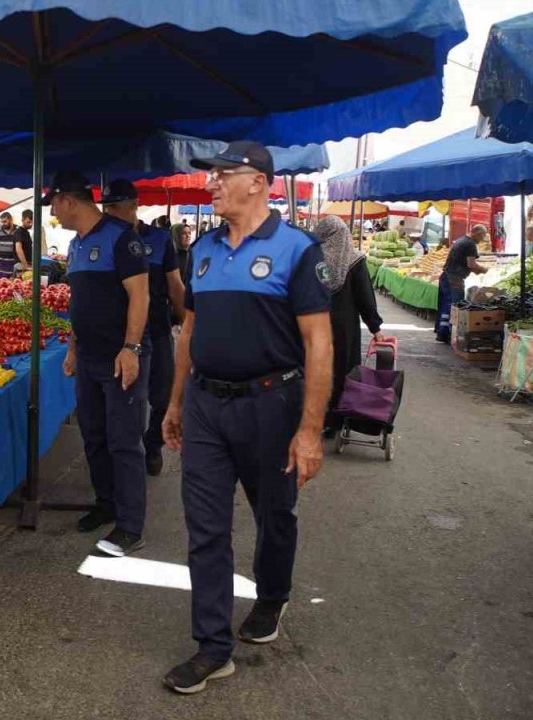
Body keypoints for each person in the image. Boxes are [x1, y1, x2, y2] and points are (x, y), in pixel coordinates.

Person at [161, 141, 333, 695]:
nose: (210, 184)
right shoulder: (203, 251)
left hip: (271, 405)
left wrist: (309, 431)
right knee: (205, 528)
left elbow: (319, 344)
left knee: (274, 516)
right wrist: (176, 402)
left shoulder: (296, 250)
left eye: (221, 175)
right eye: (210, 176)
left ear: (258, 182)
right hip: (207, 406)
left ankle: (272, 596)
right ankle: (213, 646)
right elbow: (190, 330)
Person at [51, 171, 152, 558]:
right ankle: (105, 503)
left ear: (68, 200)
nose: (54, 215)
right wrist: (74, 349)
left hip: (119, 357)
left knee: (124, 441)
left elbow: (140, 297)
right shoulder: (76, 245)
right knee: (93, 435)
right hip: (89, 358)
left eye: (55, 206)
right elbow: (80, 304)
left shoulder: (122, 238)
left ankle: (130, 526)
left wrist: (131, 347)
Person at [102, 179, 185, 477]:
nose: (109, 213)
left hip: (158, 330)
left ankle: (153, 446)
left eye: (115, 206)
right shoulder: (105, 239)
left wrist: (187, 325)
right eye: (106, 207)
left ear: (134, 206)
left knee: (162, 397)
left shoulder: (160, 239)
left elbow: (175, 287)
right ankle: (128, 455)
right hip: (120, 334)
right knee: (127, 402)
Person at [314, 217, 385, 434]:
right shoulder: (354, 261)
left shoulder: (312, 259)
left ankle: (309, 417)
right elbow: (365, 297)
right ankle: (333, 422)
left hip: (313, 323)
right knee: (340, 371)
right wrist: (376, 328)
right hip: (343, 328)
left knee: (314, 370)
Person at [435, 225, 489, 343]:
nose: (482, 239)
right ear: (476, 233)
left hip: (446, 276)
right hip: (455, 279)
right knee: (455, 307)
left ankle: (442, 333)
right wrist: (485, 270)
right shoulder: (470, 244)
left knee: (446, 305)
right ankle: (451, 335)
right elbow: (471, 265)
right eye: (482, 236)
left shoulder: (461, 240)